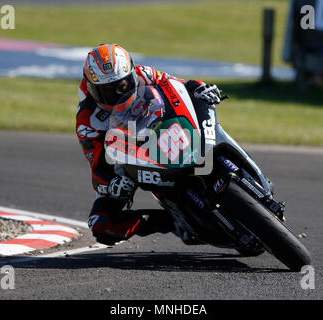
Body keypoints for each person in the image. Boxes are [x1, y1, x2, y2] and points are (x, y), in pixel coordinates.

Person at [76, 44, 222, 245]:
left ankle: (229, 159)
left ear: (131, 74)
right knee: (101, 224)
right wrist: (113, 184)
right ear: (92, 88)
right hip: (129, 158)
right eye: (107, 91)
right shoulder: (87, 118)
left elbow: (177, 85)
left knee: (200, 95)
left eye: (123, 85)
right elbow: (99, 167)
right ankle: (175, 222)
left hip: (163, 127)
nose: (118, 93)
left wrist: (199, 90)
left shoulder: (142, 74)